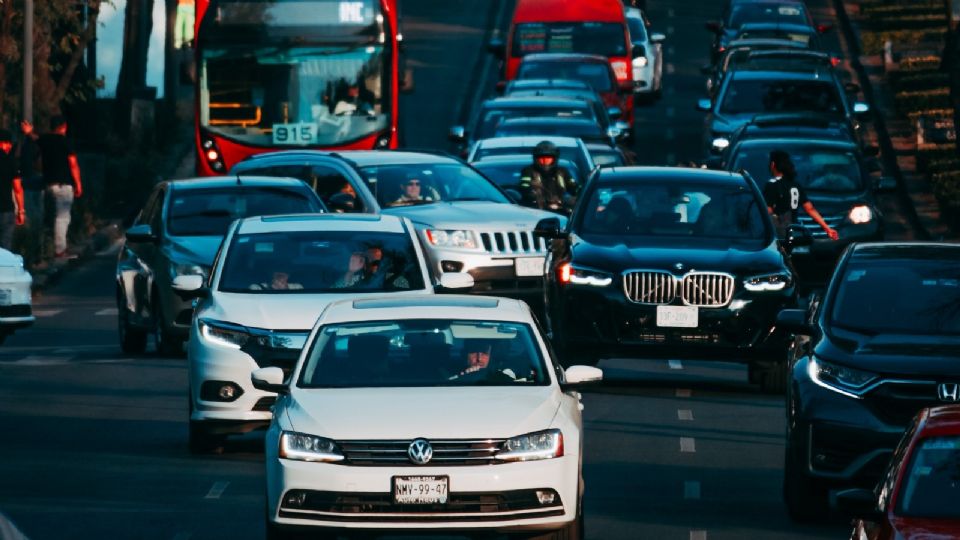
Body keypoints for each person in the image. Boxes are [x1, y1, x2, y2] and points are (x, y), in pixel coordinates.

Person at [21, 116, 83, 258]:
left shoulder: (45, 140)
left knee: (47, 217)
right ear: (64, 126)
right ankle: (60, 249)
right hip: (64, 184)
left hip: (48, 184)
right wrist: (78, 183)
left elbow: (35, 138)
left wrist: (29, 132)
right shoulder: (66, 142)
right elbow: (73, 164)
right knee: (62, 218)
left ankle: (41, 250)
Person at [763, 149, 838, 240]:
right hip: (793, 229)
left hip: (778, 232)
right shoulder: (795, 185)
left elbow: (768, 211)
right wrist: (827, 228)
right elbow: (810, 209)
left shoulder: (772, 184)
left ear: (773, 165)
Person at [518, 141, 578, 215]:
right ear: (536, 159)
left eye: (548, 160)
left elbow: (574, 188)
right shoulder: (528, 171)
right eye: (542, 160)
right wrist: (536, 198)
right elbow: (524, 189)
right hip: (536, 212)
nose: (545, 162)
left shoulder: (562, 172)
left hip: (562, 211)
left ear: (555, 159)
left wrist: (570, 199)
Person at [0, 131, 25, 251]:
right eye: (6, 143)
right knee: (5, 244)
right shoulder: (10, 161)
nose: (9, 146)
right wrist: (21, 210)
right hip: (5, 208)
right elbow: (17, 188)